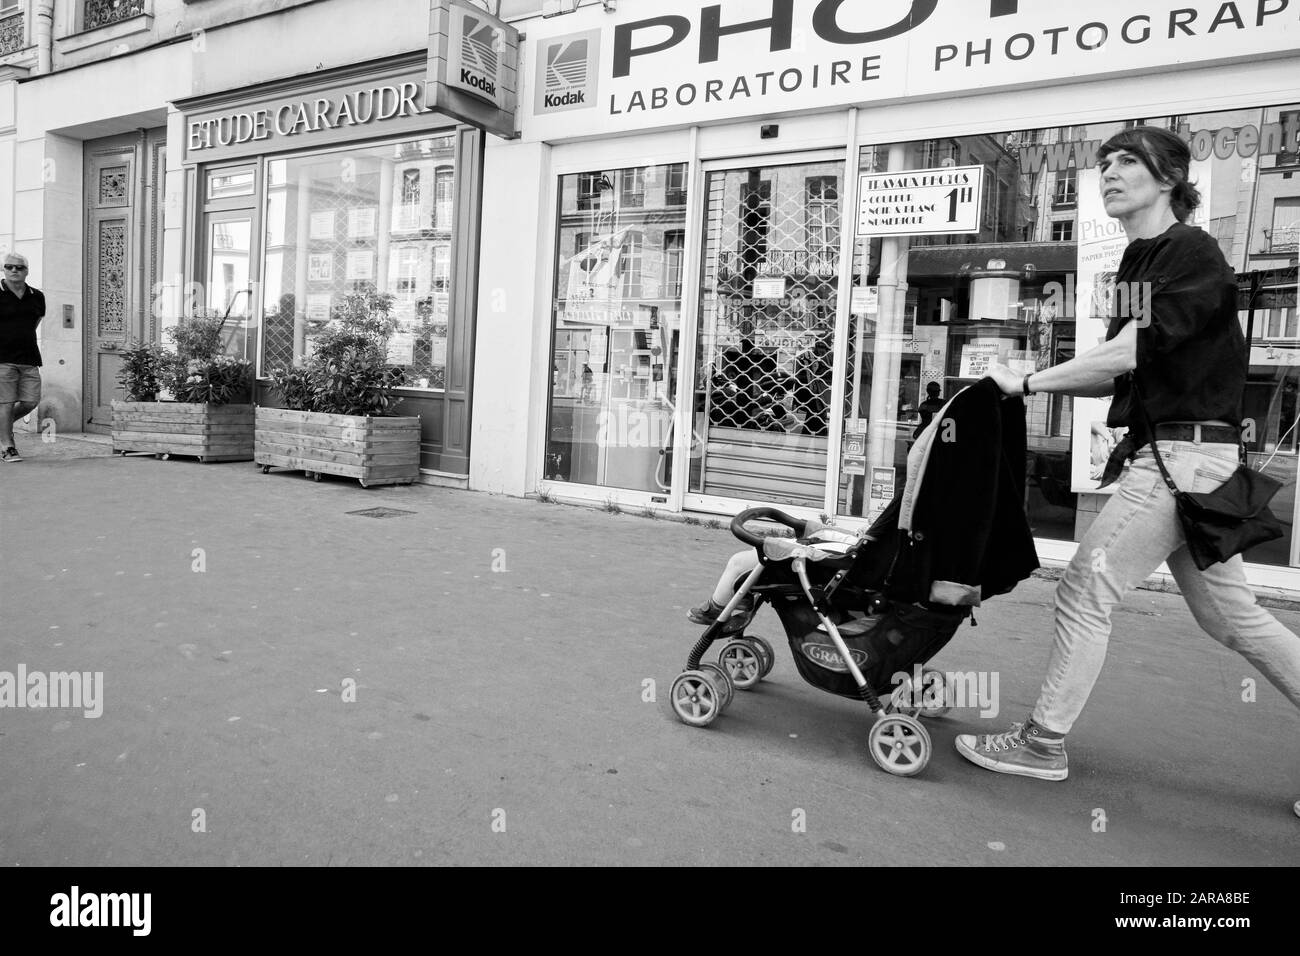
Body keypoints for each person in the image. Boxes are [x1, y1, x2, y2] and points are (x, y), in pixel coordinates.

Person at [958, 126, 1300, 788]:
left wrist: (1027, 382)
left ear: (1167, 177)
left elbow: (1130, 352)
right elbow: (1118, 369)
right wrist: (1029, 378)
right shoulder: (1142, 263)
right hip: (1186, 458)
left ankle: (1041, 743)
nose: (1108, 174)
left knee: (1087, 585)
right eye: (1103, 164)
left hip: (1178, 459)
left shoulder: (1190, 251)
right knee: (1233, 620)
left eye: (1125, 163)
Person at [0, 253, 45, 463]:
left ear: (26, 271)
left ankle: (2, 427)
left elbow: (33, 324)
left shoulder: (37, 296)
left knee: (30, 401)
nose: (14, 270)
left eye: (19, 267)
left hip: (29, 357)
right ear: (3, 270)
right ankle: (7, 446)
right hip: (2, 358)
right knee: (5, 403)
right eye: (9, 267)